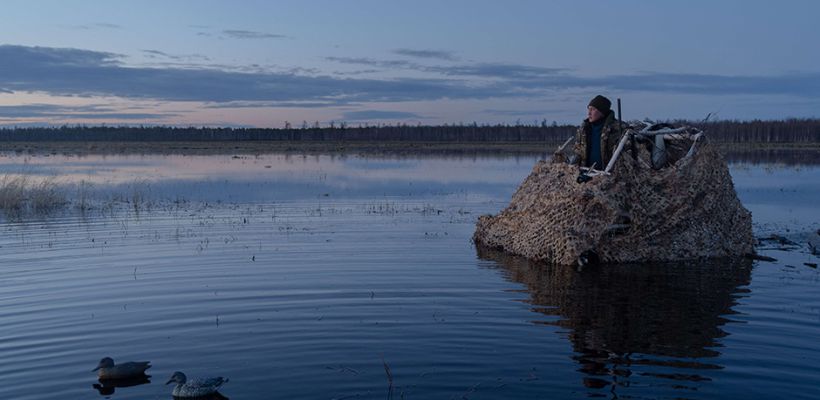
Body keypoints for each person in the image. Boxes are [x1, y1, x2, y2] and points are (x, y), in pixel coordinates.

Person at [571, 95, 623, 169]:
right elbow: (578, 153)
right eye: (588, 109)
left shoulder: (617, 129)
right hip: (586, 175)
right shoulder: (583, 130)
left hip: (609, 176)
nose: (589, 113)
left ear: (602, 112)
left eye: (593, 109)